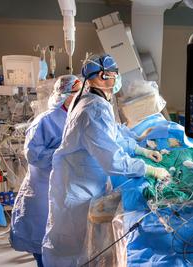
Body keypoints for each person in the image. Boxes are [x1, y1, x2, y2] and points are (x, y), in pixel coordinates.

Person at [42, 54, 170, 266]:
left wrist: (140, 150)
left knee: (84, 251)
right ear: (103, 75)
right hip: (78, 191)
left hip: (81, 183)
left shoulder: (92, 99)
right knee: (76, 254)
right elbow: (114, 162)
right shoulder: (93, 109)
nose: (117, 78)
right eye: (115, 74)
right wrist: (149, 170)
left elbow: (113, 135)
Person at [10, 75, 82, 267]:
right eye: (77, 93)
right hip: (42, 194)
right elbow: (34, 155)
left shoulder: (78, 118)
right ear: (65, 95)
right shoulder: (45, 120)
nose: (82, 97)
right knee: (44, 249)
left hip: (66, 194)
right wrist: (64, 153)